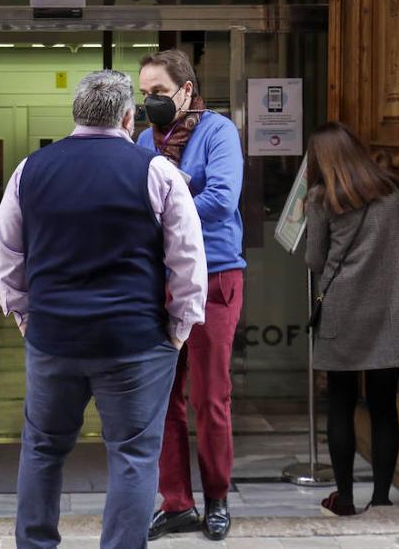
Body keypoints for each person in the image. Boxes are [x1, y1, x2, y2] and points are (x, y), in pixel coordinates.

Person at [0, 70, 208, 549]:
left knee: (44, 449)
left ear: (75, 115)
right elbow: (188, 259)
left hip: (54, 340)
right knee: (133, 456)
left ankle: (34, 544)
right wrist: (178, 331)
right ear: (129, 117)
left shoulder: (30, 169)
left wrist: (26, 315)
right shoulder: (155, 171)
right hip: (133, 342)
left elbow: (6, 253)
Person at [137, 50, 245, 542]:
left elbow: (222, 199)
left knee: (209, 395)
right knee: (163, 397)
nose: (150, 103)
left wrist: (171, 213)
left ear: (186, 88)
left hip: (214, 275)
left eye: (158, 93)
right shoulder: (143, 140)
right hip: (159, 279)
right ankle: (176, 501)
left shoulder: (217, 132)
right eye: (144, 95)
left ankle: (217, 498)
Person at [302, 121, 399, 516]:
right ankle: (381, 498)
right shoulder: (394, 192)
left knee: (341, 405)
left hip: (343, 311)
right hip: (392, 310)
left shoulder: (322, 198)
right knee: (383, 406)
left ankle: (344, 498)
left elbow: (314, 259)